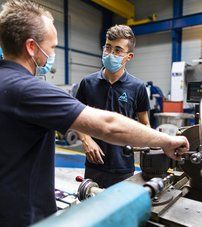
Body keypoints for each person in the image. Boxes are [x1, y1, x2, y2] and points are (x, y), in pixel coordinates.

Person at [0, 1, 189, 226]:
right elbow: (108, 125)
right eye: (52, 47)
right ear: (32, 47)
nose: (52, 54)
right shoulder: (30, 90)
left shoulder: (8, 83)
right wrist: (167, 140)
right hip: (22, 215)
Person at [76, 25, 151, 188]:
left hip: (123, 166)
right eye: (108, 47)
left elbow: (145, 124)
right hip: (94, 163)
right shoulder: (88, 83)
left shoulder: (137, 87)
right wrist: (86, 140)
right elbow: (76, 117)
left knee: (120, 212)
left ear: (129, 56)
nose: (111, 54)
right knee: (91, 207)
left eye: (118, 50)